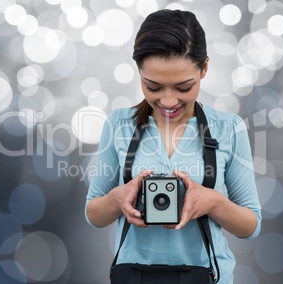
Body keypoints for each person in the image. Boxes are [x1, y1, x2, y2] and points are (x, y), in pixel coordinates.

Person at [85, 9, 261, 283]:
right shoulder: (118, 125)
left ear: (204, 68)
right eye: (153, 87)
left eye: (183, 87)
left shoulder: (228, 128)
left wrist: (211, 201)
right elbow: (93, 214)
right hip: (134, 276)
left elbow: (251, 225)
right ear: (139, 72)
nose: (168, 101)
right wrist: (118, 199)